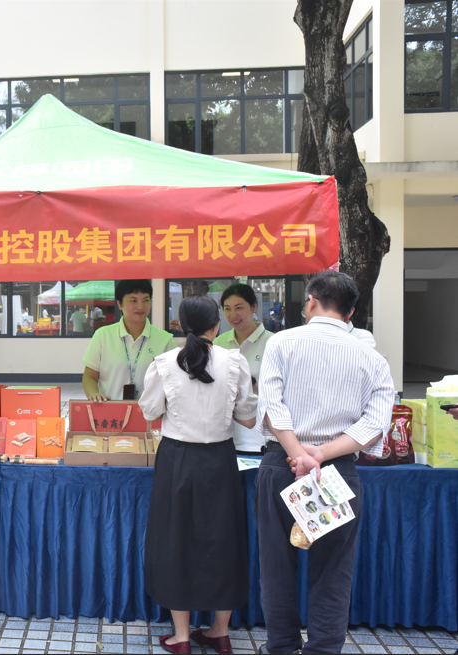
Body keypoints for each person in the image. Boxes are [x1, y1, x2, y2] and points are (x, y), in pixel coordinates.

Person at [255, 271, 394, 655]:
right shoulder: (372, 358)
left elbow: (271, 407)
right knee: (334, 570)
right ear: (350, 313)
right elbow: (374, 424)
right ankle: (323, 650)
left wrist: (299, 454)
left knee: (276, 565)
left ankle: (281, 647)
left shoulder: (281, 341)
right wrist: (320, 454)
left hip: (282, 464)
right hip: (338, 471)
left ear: (311, 302)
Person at [139, 294, 257, 655]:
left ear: (181, 325)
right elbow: (248, 418)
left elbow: (150, 412)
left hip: (177, 458)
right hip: (221, 458)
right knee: (224, 539)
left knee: (175, 540)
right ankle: (220, 632)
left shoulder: (163, 363)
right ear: (216, 326)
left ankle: (181, 637)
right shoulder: (235, 361)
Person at [82, 279, 175, 402]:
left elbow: (174, 381)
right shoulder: (103, 335)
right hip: (110, 410)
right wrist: (94, 394)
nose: (141, 307)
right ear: (119, 304)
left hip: (150, 412)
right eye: (133, 300)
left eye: (146, 300)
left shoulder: (165, 340)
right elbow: (89, 376)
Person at [214, 284, 274, 454]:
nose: (233, 315)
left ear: (254, 307)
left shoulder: (273, 343)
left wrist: (251, 382)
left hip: (260, 438)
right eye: (227, 309)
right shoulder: (219, 342)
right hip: (224, 436)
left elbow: (281, 387)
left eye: (239, 307)